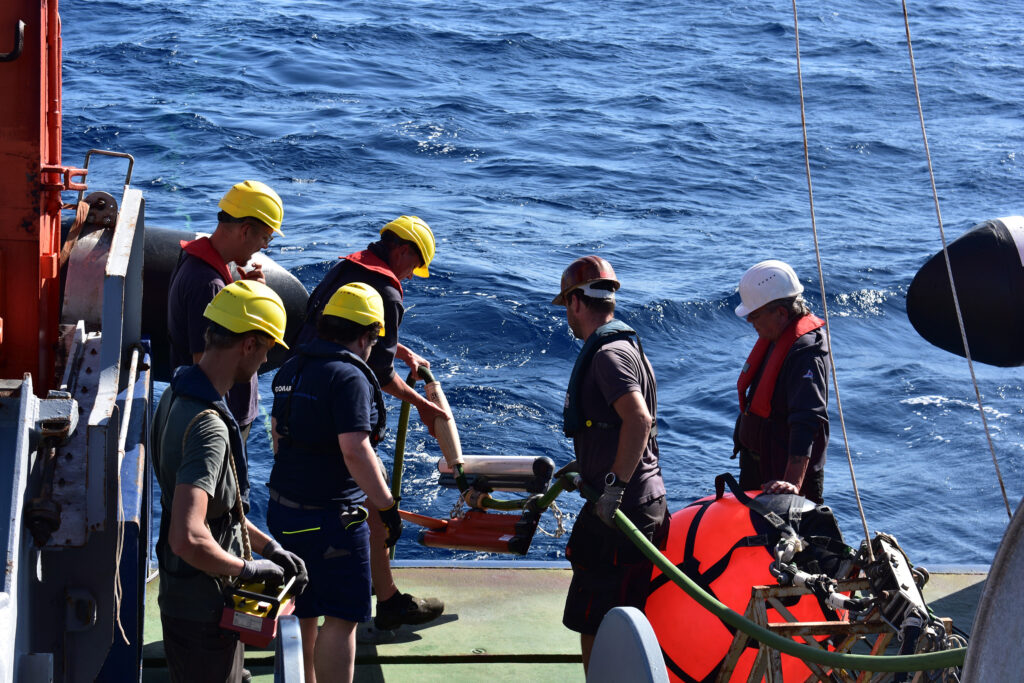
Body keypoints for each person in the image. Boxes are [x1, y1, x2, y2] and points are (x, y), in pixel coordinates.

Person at [295, 215, 446, 631]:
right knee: (376, 508)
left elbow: (336, 330)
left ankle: (374, 596)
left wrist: (400, 350)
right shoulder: (388, 292)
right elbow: (376, 373)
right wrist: (422, 404)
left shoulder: (345, 269)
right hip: (341, 411)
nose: (412, 277)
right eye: (414, 266)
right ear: (403, 252)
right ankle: (378, 602)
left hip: (299, 402)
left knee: (318, 509)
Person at [152, 280, 308, 683]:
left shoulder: (174, 397)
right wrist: (248, 570)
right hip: (203, 610)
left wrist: (269, 547)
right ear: (250, 345)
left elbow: (215, 512)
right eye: (268, 348)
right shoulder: (209, 426)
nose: (266, 360)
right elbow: (187, 537)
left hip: (184, 596)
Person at [267, 282, 404, 683]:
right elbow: (355, 450)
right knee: (343, 618)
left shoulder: (292, 367)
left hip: (283, 509)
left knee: (304, 607)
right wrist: (386, 507)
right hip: (331, 519)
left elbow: (278, 435)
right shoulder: (349, 377)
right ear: (367, 335)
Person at [551, 255, 668, 674]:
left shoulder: (606, 356)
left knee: (596, 620)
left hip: (624, 509)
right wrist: (585, 467)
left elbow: (638, 419)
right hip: (642, 502)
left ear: (576, 302)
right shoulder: (627, 346)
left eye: (566, 304)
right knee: (626, 616)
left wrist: (614, 486)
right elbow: (617, 427)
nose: (567, 314)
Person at [167, 179, 284, 441]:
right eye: (265, 236)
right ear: (245, 230)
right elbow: (206, 366)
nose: (264, 246)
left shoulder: (198, 262)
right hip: (218, 420)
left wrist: (245, 292)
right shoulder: (207, 283)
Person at [732, 259, 830, 504]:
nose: (749, 321)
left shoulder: (806, 352)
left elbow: (807, 418)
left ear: (781, 313)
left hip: (784, 481)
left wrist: (792, 483)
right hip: (762, 468)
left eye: (754, 315)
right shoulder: (777, 336)